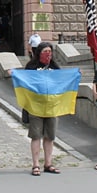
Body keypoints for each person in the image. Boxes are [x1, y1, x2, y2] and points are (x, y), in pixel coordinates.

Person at [23, 42, 62, 175]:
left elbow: (62, 81)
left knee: (49, 136)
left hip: (51, 106)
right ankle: (35, 165)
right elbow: (25, 82)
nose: (48, 54)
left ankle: (48, 163)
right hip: (35, 107)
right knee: (36, 136)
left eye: (49, 51)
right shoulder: (31, 67)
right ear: (39, 52)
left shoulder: (55, 67)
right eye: (45, 51)